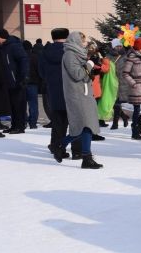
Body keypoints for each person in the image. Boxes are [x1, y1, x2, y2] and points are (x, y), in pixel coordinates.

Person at [55, 31, 103, 169]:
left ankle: (67, 148)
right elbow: (77, 74)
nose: (84, 43)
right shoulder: (69, 55)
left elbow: (85, 75)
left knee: (86, 126)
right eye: (82, 41)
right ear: (75, 41)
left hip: (85, 93)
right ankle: (80, 154)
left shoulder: (78, 54)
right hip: (77, 95)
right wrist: (89, 64)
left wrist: (92, 65)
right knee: (84, 125)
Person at [39, 28, 76, 159]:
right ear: (66, 36)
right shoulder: (70, 51)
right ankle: (71, 148)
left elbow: (41, 71)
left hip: (53, 89)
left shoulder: (45, 51)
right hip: (70, 89)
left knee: (57, 120)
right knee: (73, 120)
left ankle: (55, 145)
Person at [0, 29, 29, 134]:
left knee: (19, 105)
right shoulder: (2, 47)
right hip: (8, 81)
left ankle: (20, 126)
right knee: (13, 105)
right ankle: (14, 125)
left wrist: (23, 77)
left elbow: (23, 60)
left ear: (1, 37)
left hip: (17, 81)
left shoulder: (14, 46)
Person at [122, 38, 141, 140]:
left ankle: (138, 124)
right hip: (136, 86)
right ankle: (134, 132)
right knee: (137, 109)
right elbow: (125, 73)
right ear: (139, 48)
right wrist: (133, 83)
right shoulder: (131, 57)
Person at [24, 40, 42, 128]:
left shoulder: (21, 56)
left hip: (22, 84)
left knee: (22, 104)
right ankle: (33, 123)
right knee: (33, 104)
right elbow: (39, 71)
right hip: (33, 84)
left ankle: (24, 120)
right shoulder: (35, 57)